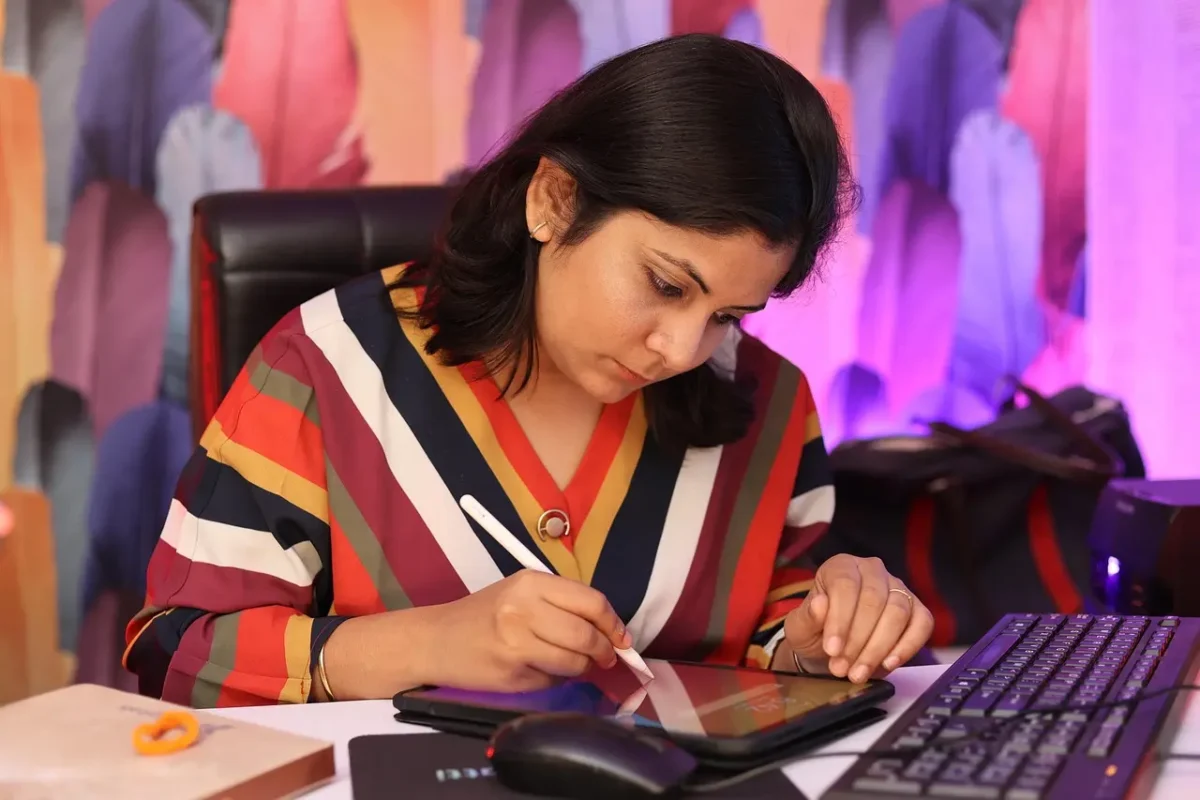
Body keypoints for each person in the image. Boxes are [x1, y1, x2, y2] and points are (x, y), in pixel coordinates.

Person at [125, 34, 934, 707]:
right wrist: (431, 640)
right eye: (664, 284)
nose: (685, 349)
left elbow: (772, 616)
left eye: (728, 313)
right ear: (553, 200)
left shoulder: (764, 399)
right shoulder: (326, 366)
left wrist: (827, 633)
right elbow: (175, 653)